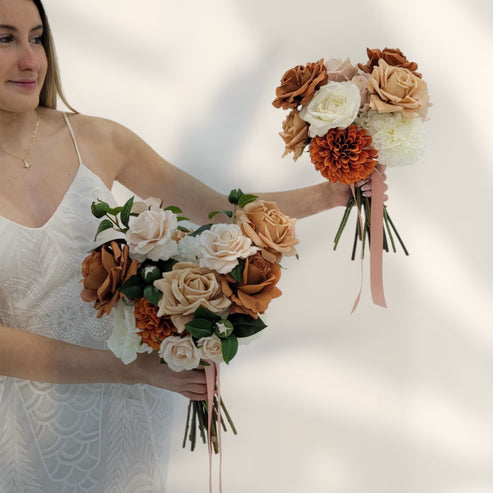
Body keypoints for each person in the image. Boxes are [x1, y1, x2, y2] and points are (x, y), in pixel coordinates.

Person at [0, 0, 375, 491]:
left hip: (127, 417)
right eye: (5, 38)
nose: (30, 59)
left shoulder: (97, 139)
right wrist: (130, 370)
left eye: (37, 37)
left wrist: (330, 193)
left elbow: (218, 210)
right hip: (26, 429)